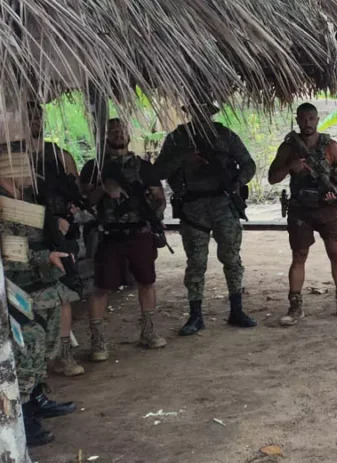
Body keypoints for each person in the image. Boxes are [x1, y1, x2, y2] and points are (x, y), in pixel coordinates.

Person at [155, 102, 257, 335]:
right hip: (192, 207)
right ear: (190, 113)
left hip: (223, 204)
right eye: (197, 110)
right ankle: (195, 316)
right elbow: (159, 171)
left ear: (211, 113)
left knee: (231, 258)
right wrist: (184, 158)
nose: (201, 116)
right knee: (196, 263)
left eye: (205, 111)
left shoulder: (225, 136)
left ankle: (237, 310)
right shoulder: (177, 139)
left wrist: (237, 182)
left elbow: (249, 164)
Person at [80, 118, 168, 361]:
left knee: (146, 281)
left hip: (140, 232)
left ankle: (148, 331)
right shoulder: (94, 167)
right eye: (113, 131)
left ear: (129, 135)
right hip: (109, 234)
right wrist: (103, 188)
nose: (118, 134)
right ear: (105, 136)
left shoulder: (143, 166)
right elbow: (83, 201)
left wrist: (154, 214)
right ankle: (98, 341)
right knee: (101, 287)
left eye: (122, 130)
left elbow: (160, 198)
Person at [0, 177, 76, 447]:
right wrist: (44, 257)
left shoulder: (33, 193)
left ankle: (36, 399)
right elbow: (9, 252)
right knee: (27, 346)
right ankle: (22, 413)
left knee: (45, 344)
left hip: (40, 284)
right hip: (13, 289)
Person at [267, 103, 337, 325]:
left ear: (317, 120)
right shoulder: (288, 148)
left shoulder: (332, 147)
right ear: (297, 120)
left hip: (328, 208)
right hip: (300, 210)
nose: (307, 123)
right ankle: (295, 306)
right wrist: (290, 166)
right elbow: (272, 178)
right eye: (303, 119)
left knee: (336, 255)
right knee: (299, 257)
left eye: (311, 118)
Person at [26, 101, 86, 377]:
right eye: (29, 117)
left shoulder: (58, 155)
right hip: (26, 236)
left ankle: (62, 355)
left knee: (64, 294)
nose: (34, 121)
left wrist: (68, 217)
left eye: (38, 116)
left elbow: (75, 194)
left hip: (58, 233)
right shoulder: (10, 156)